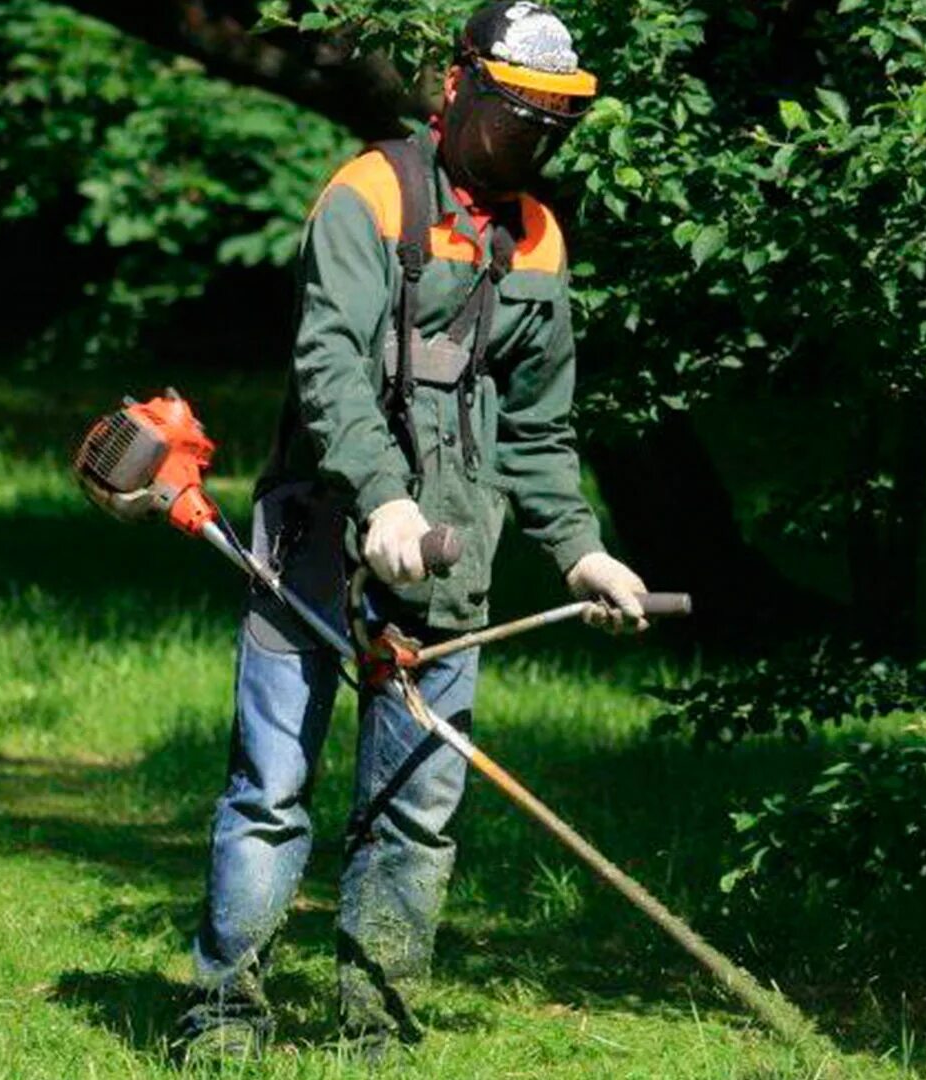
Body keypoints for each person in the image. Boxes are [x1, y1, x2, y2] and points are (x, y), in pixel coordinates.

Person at [176, 1, 651, 1062]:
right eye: (515, 117)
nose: (528, 142)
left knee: (416, 805)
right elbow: (329, 367)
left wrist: (582, 549)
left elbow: (538, 424)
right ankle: (222, 1017)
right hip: (318, 527)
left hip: (452, 549)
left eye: (548, 126)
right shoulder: (370, 195)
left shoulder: (536, 237)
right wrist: (383, 500)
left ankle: (375, 1030)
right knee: (270, 792)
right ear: (457, 88)